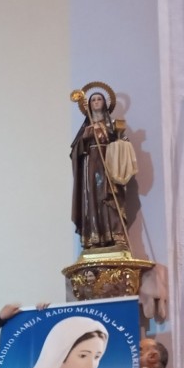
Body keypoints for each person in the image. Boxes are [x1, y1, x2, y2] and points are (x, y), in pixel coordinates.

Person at [70, 89, 137, 250]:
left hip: (109, 165)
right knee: (92, 199)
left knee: (110, 198)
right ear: (89, 105)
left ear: (105, 104)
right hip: (91, 167)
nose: (96, 102)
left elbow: (124, 144)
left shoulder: (113, 125)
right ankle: (94, 237)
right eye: (93, 100)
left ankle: (116, 235)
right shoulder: (86, 128)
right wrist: (85, 138)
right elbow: (74, 152)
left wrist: (119, 136)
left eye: (99, 99)